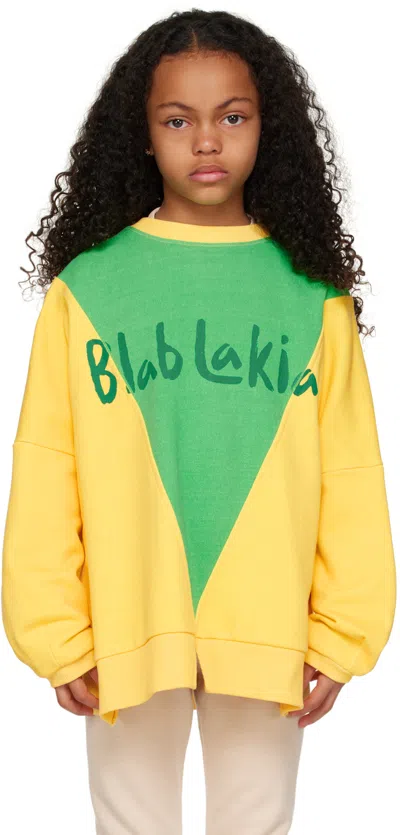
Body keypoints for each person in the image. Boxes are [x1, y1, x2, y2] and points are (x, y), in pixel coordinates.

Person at [1, 8, 396, 835]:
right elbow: (47, 463)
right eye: (178, 120)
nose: (207, 140)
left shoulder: (312, 297)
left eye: (233, 117)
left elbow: (351, 471)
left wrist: (343, 630)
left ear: (266, 127)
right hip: (124, 620)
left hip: (270, 621)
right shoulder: (87, 290)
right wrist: (56, 631)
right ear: (143, 136)